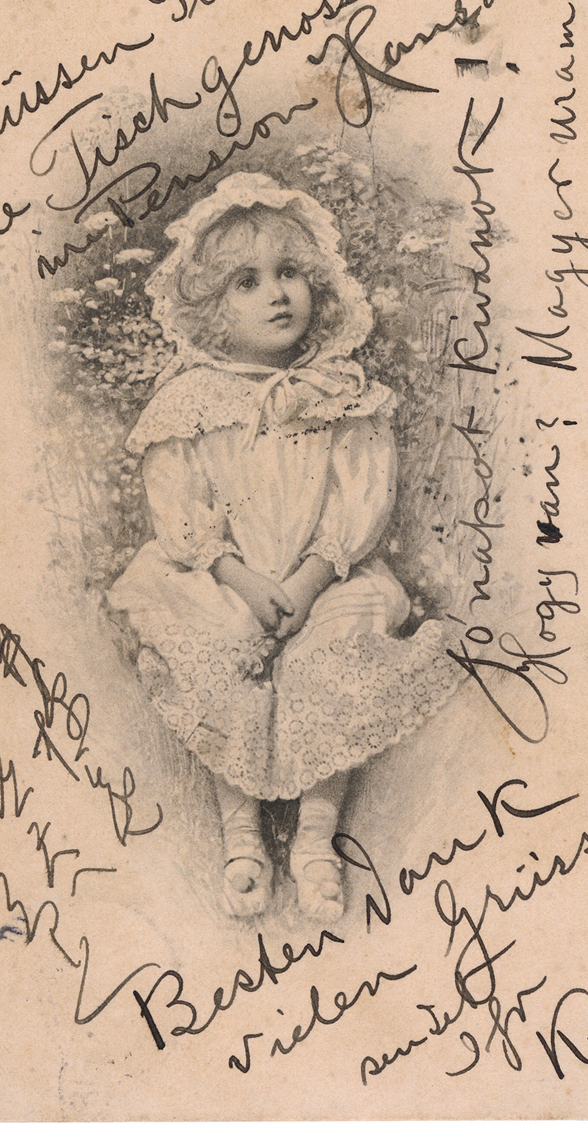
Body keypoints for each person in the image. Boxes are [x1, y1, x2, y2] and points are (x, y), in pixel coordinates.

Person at [108, 172, 459, 923]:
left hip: (324, 576)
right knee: (222, 656)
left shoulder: (340, 394)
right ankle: (242, 838)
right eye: (247, 282)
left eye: (290, 273)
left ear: (317, 285)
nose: (277, 295)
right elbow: (181, 509)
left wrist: (306, 583)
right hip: (225, 578)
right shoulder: (191, 403)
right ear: (211, 307)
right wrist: (237, 577)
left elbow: (359, 503)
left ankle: (315, 841)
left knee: (330, 664)